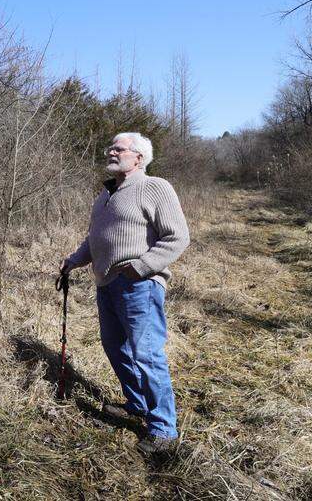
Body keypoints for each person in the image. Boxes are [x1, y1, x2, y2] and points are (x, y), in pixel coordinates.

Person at [60, 132, 189, 454]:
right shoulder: (106, 194)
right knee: (115, 348)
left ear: (139, 158)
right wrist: (73, 261)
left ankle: (163, 429)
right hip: (106, 284)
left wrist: (142, 267)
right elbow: (95, 238)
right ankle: (137, 404)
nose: (111, 151)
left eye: (119, 148)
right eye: (111, 147)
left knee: (146, 354)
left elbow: (177, 237)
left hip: (139, 285)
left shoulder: (154, 187)